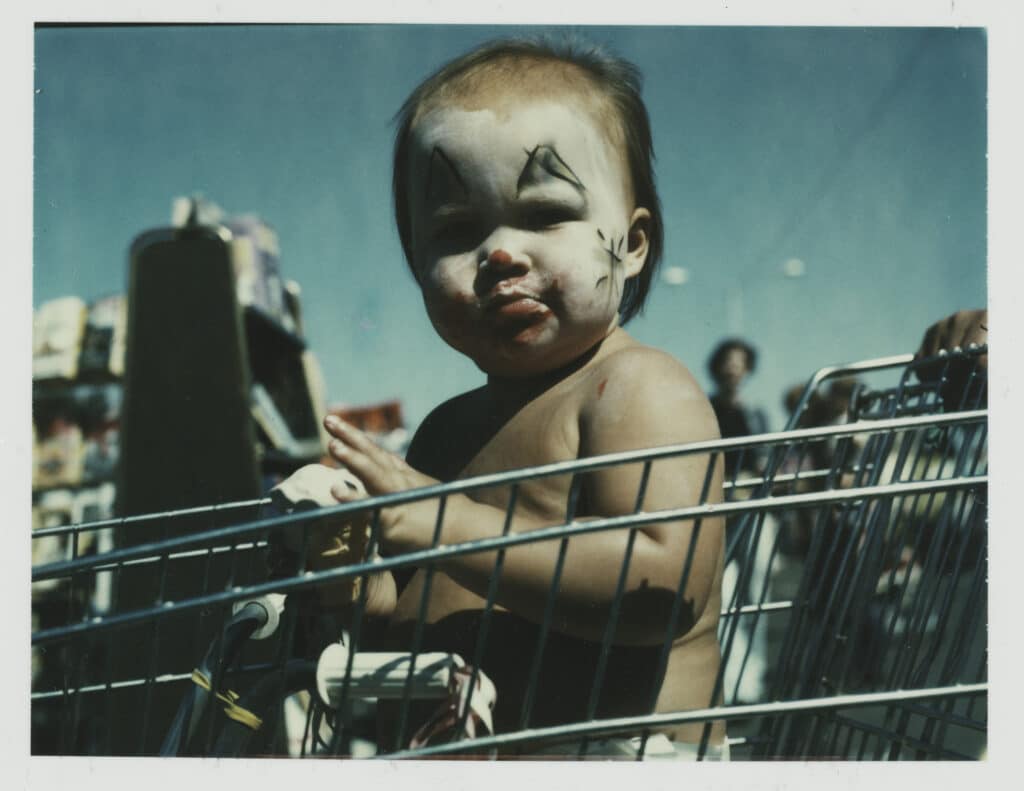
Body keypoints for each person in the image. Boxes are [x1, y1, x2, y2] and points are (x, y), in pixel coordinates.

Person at [275, 38, 727, 759]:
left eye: (546, 215)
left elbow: (658, 592)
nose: (500, 255)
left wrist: (438, 520)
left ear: (633, 243)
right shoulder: (444, 431)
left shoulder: (637, 387)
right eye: (456, 231)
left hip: (623, 754)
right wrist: (346, 564)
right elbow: (404, 613)